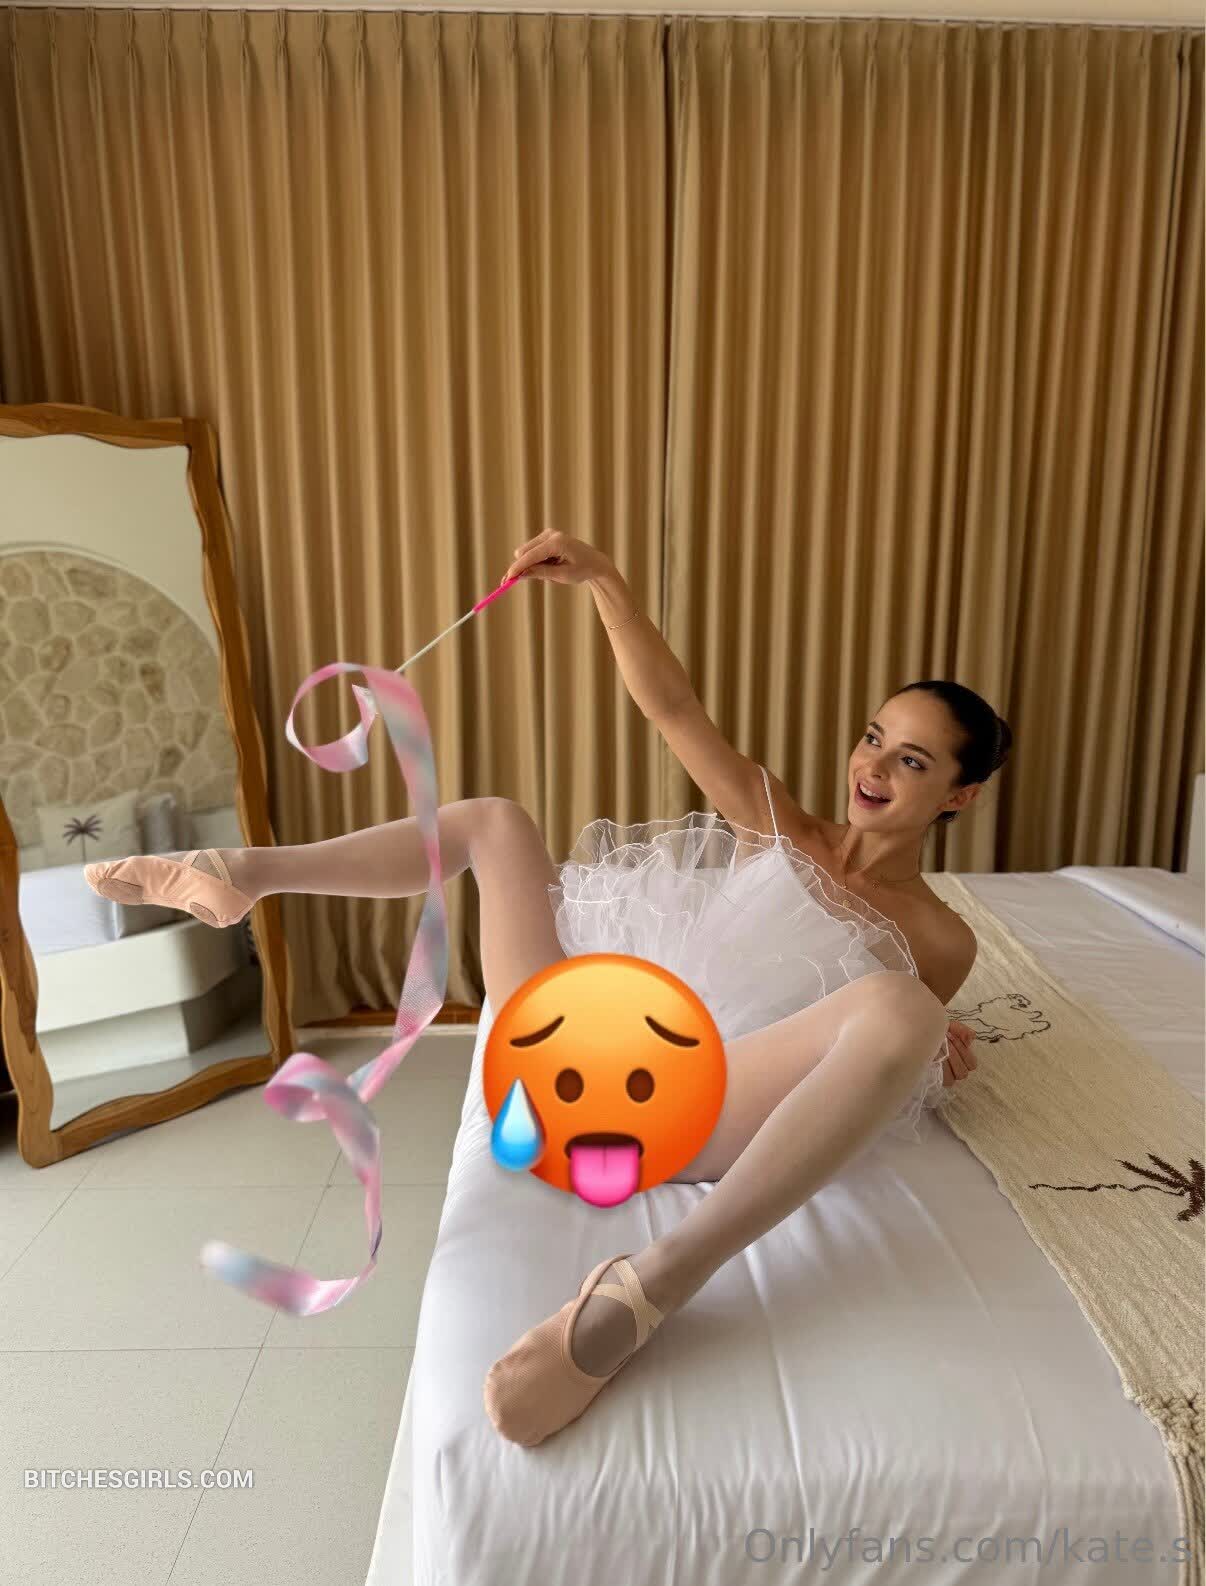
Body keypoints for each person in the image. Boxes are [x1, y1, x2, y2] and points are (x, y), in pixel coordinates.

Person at [84, 528, 1012, 1449]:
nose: (872, 768)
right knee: (495, 821)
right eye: (874, 738)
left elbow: (872, 1045)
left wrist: (933, 1039)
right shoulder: (778, 822)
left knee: (903, 1010)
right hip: (573, 1047)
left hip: (696, 1096)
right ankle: (247, 872)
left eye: (912, 760)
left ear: (959, 796)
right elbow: (674, 707)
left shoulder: (941, 937)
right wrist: (605, 579)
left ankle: (652, 1286)